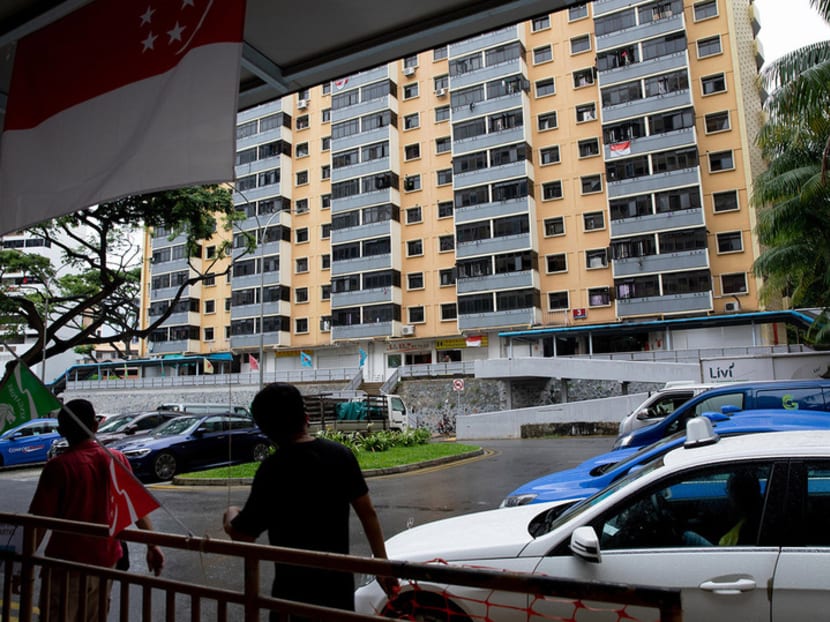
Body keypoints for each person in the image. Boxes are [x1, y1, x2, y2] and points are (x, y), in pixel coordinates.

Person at [223, 382, 398, 620]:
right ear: (306, 418)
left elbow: (243, 534)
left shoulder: (272, 470)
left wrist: (230, 514)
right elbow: (368, 513)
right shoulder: (341, 456)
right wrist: (382, 565)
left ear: (266, 429)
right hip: (337, 596)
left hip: (292, 599)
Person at [28, 399, 165, 621]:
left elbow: (38, 524)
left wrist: (24, 563)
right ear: (95, 426)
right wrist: (153, 545)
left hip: (65, 566)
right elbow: (135, 507)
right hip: (105, 563)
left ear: (62, 430)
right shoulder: (117, 459)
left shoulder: (58, 468)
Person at [683, 469, 762, 547]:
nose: (728, 496)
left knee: (688, 536)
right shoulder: (758, 514)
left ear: (737, 495)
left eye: (728, 490)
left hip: (726, 556)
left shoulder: (746, 529)